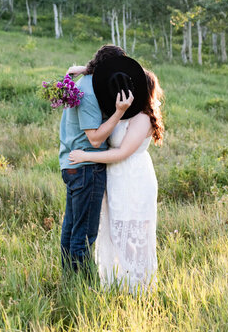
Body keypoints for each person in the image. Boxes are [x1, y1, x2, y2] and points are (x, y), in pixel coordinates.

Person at [69, 67, 164, 293]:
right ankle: (114, 283)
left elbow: (122, 153)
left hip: (134, 176)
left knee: (133, 231)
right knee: (114, 228)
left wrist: (86, 156)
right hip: (116, 177)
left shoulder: (143, 118)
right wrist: (88, 69)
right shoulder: (125, 113)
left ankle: (136, 287)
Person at [59, 44, 134, 273]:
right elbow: (95, 138)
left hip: (74, 166)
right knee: (83, 236)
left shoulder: (85, 83)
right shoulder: (90, 91)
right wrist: (120, 112)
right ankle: (83, 286)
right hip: (87, 168)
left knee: (71, 230)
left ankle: (69, 282)